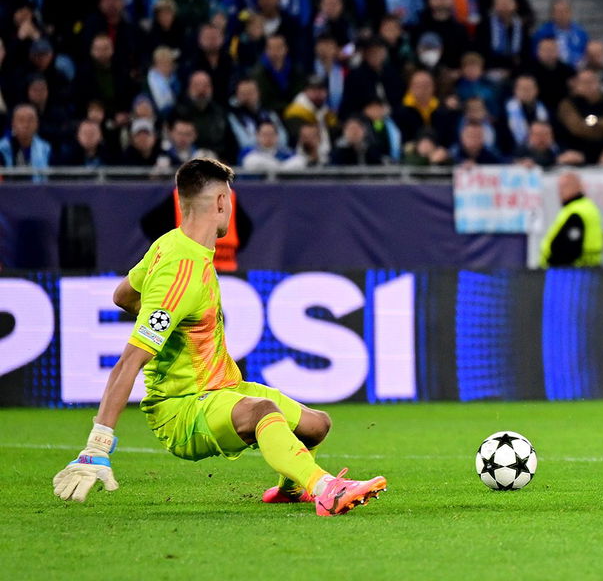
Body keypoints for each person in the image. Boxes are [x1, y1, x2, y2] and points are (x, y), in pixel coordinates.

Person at [52, 159, 386, 515]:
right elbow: (129, 361)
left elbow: (122, 296)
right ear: (222, 203)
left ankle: (291, 488)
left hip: (221, 388)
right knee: (263, 411)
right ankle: (325, 488)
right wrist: (98, 444)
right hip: (183, 408)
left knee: (317, 425)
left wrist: (168, 323)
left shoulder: (170, 244)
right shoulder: (181, 273)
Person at [539, 172, 603, 267]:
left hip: (572, 272)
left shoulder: (577, 211)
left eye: (565, 186)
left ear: (578, 186)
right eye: (559, 187)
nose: (560, 191)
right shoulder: (586, 207)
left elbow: (569, 247)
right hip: (587, 269)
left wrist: (555, 265)